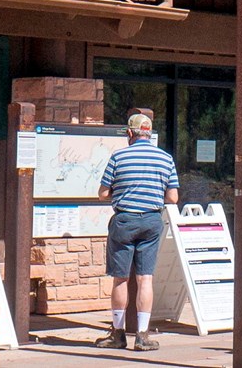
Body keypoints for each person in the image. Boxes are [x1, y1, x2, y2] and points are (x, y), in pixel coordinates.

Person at [94, 111, 179, 352]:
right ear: (149, 133)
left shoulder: (119, 157)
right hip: (152, 221)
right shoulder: (165, 158)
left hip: (124, 221)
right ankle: (142, 335)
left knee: (121, 278)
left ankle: (118, 334)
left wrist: (119, 191)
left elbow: (102, 193)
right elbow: (173, 196)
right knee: (145, 279)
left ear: (130, 133)